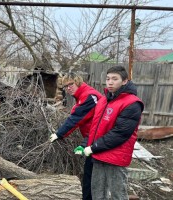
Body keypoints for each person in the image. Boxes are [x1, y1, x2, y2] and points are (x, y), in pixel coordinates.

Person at [83, 66, 144, 200]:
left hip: (115, 158)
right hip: (98, 154)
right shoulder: (104, 100)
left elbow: (120, 133)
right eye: (108, 79)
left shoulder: (132, 103)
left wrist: (93, 147)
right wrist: (85, 144)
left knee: (118, 195)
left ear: (124, 81)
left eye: (114, 79)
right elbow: (95, 127)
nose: (110, 82)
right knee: (98, 194)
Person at [49, 73, 102, 200]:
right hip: (92, 138)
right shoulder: (81, 97)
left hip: (98, 139)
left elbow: (76, 118)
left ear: (78, 82)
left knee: (92, 173)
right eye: (66, 86)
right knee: (89, 172)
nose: (68, 88)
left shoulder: (89, 96)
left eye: (71, 84)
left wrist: (58, 134)